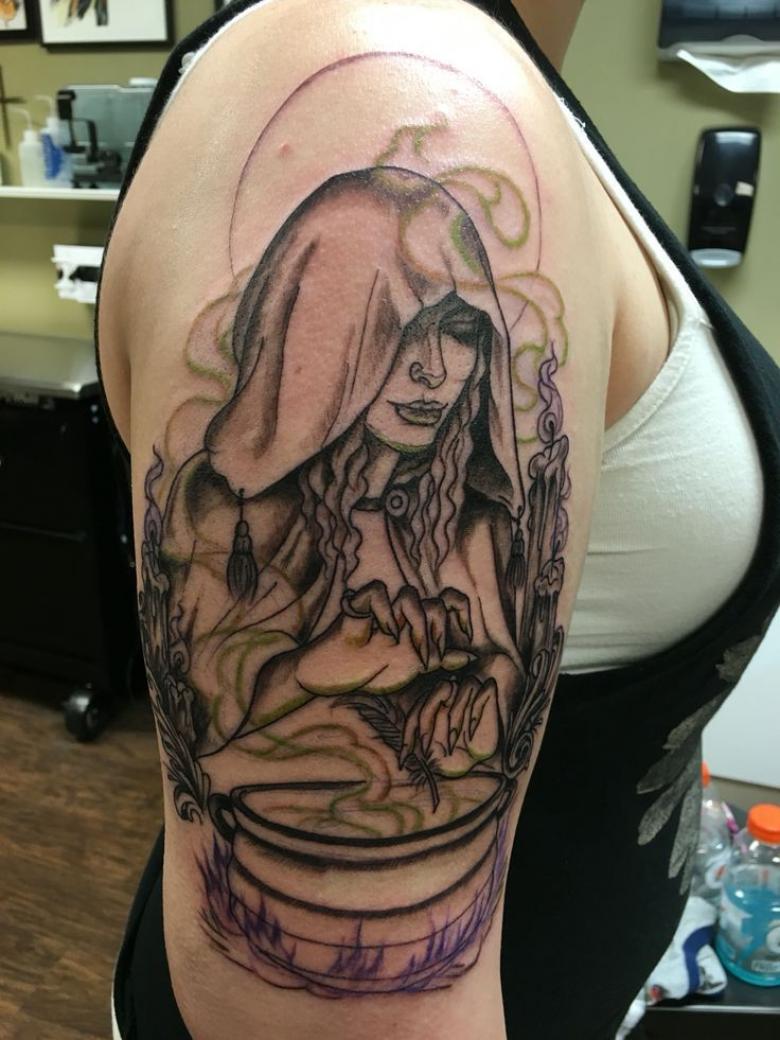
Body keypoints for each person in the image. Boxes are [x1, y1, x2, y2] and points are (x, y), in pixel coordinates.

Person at [97, 1, 779, 1038]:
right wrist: (327, 679)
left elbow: (504, 675)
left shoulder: (457, 515)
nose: (432, 373)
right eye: (400, 331)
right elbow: (235, 754)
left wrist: (462, 689)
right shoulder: (394, 68)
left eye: (458, 332)